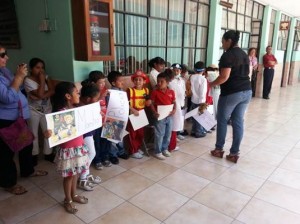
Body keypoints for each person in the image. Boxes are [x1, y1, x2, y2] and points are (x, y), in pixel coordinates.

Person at [0, 45, 47, 196]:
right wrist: (20, 77)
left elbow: (16, 89)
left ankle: (28, 171)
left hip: (19, 116)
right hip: (6, 120)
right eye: (2, 55)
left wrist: (24, 91)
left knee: (25, 144)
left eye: (5, 54)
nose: (7, 57)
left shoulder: (4, 71)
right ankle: (9, 183)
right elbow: (7, 98)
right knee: (5, 153)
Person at [210, 30, 252, 163]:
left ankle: (218, 150)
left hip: (232, 93)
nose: (222, 45)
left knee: (222, 120)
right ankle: (234, 153)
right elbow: (247, 72)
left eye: (223, 42)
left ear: (229, 41)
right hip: (247, 91)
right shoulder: (244, 54)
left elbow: (224, 77)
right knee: (238, 121)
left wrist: (211, 84)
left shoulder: (228, 55)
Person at [50, 82, 89, 214]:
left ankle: (74, 195)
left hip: (78, 147)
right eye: (77, 92)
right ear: (68, 96)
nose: (79, 94)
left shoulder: (76, 109)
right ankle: (68, 200)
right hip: (68, 150)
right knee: (69, 176)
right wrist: (48, 133)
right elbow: (54, 133)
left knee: (75, 173)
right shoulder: (61, 113)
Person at [24, 58, 55, 165]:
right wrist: (42, 82)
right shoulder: (28, 80)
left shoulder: (47, 77)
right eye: (37, 68)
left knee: (48, 131)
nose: (40, 70)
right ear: (31, 69)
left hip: (47, 109)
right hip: (33, 110)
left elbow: (52, 91)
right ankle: (34, 155)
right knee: (33, 133)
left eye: (42, 68)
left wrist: (40, 95)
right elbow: (42, 93)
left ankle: (48, 153)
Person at [77, 81, 102, 191]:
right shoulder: (79, 108)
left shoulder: (89, 105)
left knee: (89, 154)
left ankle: (86, 175)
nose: (97, 101)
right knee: (91, 153)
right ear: (87, 99)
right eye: (96, 99)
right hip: (84, 134)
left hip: (90, 132)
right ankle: (82, 178)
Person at [150, 69, 176, 160]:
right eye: (158, 81)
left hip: (169, 116)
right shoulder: (155, 92)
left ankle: (165, 148)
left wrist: (174, 110)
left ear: (167, 82)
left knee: (168, 133)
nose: (159, 83)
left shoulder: (171, 92)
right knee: (159, 134)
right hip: (160, 117)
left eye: (162, 81)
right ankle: (158, 151)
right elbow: (151, 104)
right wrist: (154, 112)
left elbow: (174, 102)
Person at [126, 70, 151, 159]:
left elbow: (147, 102)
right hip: (133, 115)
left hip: (142, 114)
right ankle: (133, 151)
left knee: (140, 133)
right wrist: (132, 109)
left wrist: (149, 103)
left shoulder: (146, 90)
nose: (138, 81)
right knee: (133, 134)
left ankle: (137, 147)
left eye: (140, 80)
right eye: (136, 80)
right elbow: (125, 103)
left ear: (144, 81)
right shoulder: (130, 91)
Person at [107, 71, 129, 164]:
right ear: (113, 83)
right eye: (120, 81)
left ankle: (121, 151)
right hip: (112, 118)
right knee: (112, 138)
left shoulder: (122, 92)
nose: (123, 82)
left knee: (120, 136)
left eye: (123, 80)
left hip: (122, 117)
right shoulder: (110, 93)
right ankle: (113, 155)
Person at [168, 63, 186, 151]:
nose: (176, 71)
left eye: (178, 70)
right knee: (173, 125)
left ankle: (173, 141)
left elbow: (183, 92)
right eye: (174, 70)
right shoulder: (170, 81)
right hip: (174, 106)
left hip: (180, 104)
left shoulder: (182, 80)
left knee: (177, 124)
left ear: (180, 71)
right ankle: (172, 144)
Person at [190, 61, 207, 138]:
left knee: (194, 116)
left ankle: (193, 130)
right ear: (203, 70)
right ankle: (199, 132)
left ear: (194, 69)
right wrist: (202, 102)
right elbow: (202, 92)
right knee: (200, 117)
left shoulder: (192, 77)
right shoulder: (203, 79)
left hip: (193, 99)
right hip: (200, 101)